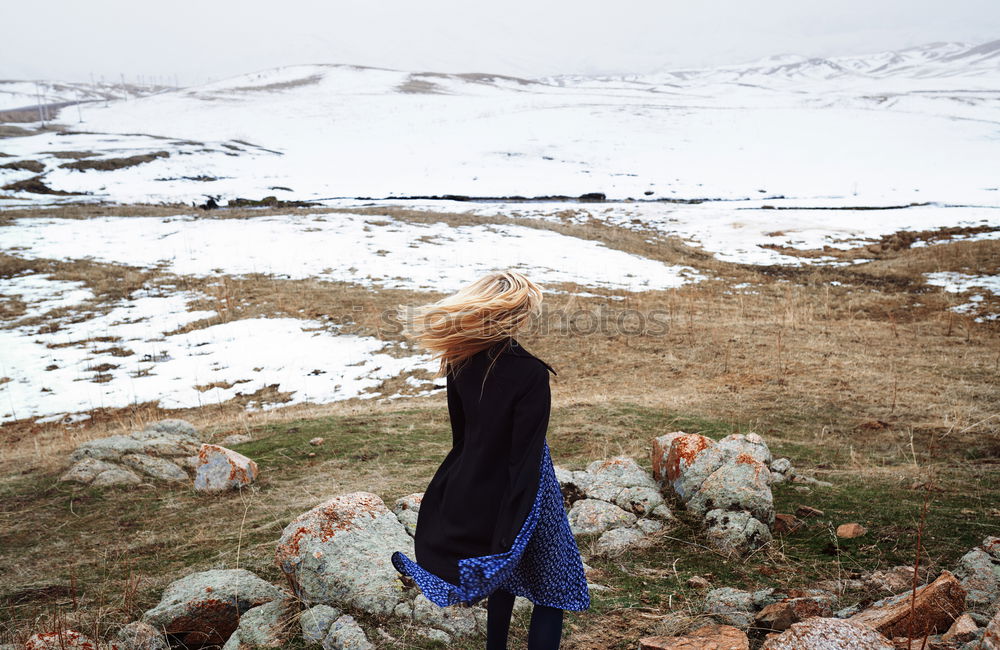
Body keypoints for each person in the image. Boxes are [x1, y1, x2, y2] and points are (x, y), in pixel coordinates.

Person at [390, 271, 590, 649]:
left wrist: (472, 498)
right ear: (514, 315)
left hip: (480, 477)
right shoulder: (530, 372)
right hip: (531, 487)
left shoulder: (459, 361)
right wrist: (515, 520)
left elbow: (463, 438)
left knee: (503, 569)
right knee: (554, 584)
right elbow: (525, 455)